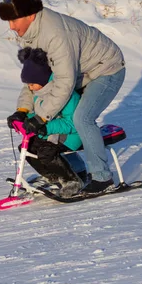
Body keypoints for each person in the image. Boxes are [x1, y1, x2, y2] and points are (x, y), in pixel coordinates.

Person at [1, 0, 126, 194]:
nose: (12, 27)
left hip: (106, 69)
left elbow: (64, 81)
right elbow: (34, 81)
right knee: (56, 114)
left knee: (81, 117)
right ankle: (73, 170)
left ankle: (102, 177)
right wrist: (23, 110)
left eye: (15, 20)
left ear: (31, 15)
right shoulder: (30, 34)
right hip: (81, 73)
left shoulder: (55, 34)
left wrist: (41, 117)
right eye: (9, 21)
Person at [13, 47, 86, 198]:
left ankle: (71, 181)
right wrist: (24, 119)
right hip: (50, 133)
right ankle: (53, 177)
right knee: (27, 148)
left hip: (72, 134)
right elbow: (37, 113)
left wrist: (46, 127)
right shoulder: (39, 93)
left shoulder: (66, 95)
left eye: (32, 84)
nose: (30, 88)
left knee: (46, 151)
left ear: (42, 80)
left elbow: (72, 123)